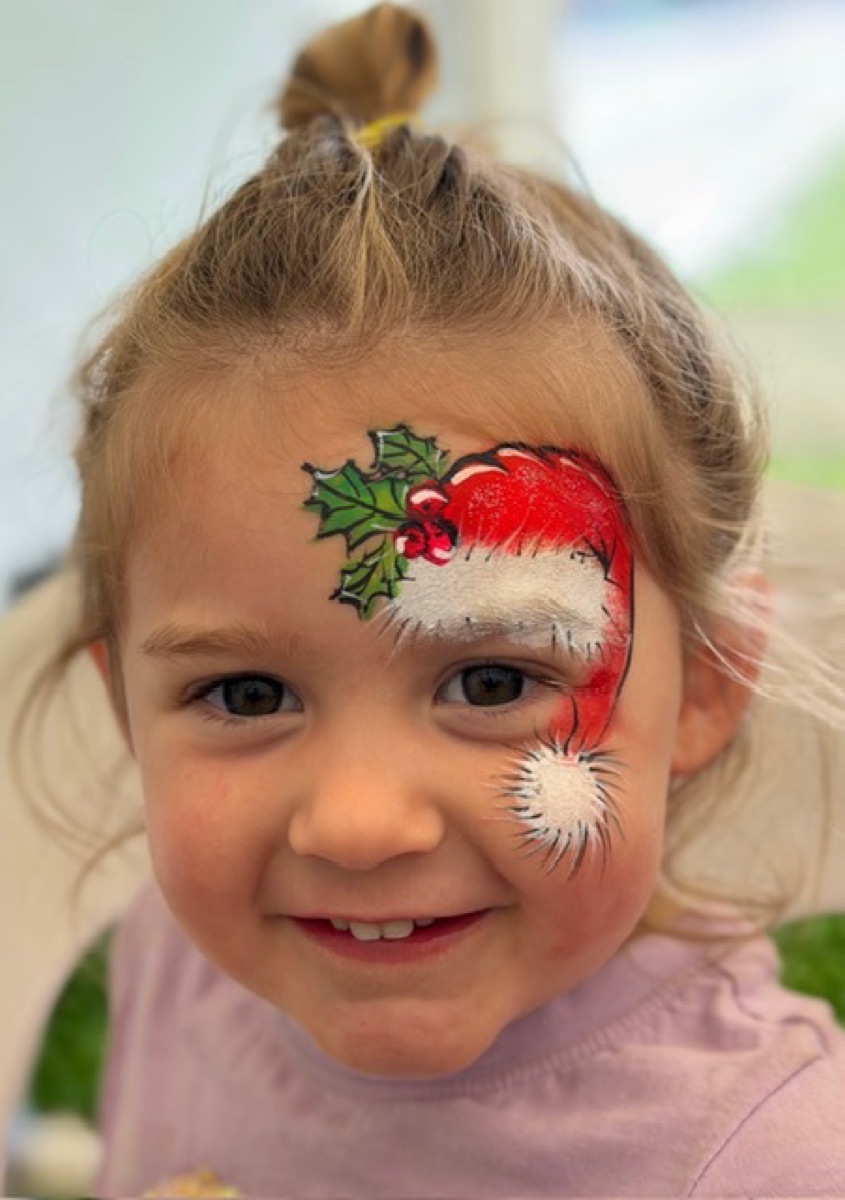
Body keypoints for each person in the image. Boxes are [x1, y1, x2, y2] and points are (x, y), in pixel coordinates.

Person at [33, 3, 845, 1195]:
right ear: (126, 709)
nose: (359, 825)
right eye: (245, 692)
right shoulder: (183, 960)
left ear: (707, 683)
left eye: (493, 681)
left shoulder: (757, 1160)